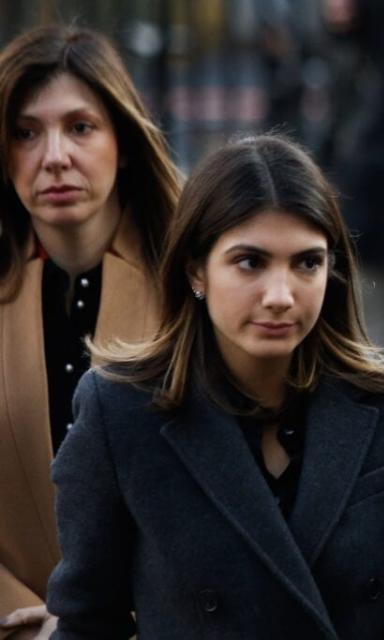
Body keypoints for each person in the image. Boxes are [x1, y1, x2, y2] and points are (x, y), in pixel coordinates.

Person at [44, 135, 384, 639]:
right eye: (250, 262)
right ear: (196, 269)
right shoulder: (123, 408)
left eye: (307, 263)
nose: (280, 295)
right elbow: (86, 621)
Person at [0, 25, 180, 640]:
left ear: (122, 142)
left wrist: (94, 619)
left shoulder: (193, 286)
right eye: (27, 132)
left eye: (80, 127)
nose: (54, 156)